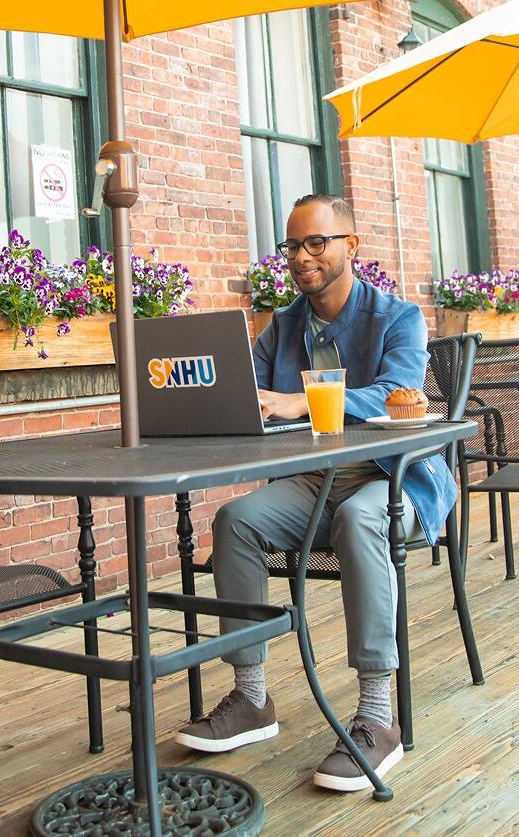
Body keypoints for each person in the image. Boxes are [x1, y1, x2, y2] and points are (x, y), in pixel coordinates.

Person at [174, 194, 455, 792]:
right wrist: (213, 401)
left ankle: (379, 717)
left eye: (316, 242)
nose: (302, 257)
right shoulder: (283, 325)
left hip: (392, 480)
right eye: (292, 245)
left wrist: (302, 400)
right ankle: (252, 698)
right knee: (236, 522)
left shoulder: (396, 317)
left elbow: (397, 394)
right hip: (311, 487)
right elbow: (244, 392)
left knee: (358, 519)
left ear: (351, 246)